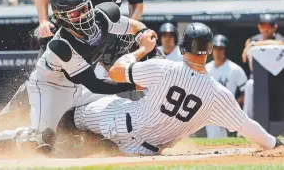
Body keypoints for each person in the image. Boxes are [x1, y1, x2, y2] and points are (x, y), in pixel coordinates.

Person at [0, 0, 151, 157]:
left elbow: (133, 26)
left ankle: (80, 140)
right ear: (63, 19)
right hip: (50, 88)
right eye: (75, 13)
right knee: (39, 140)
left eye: (84, 8)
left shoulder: (103, 15)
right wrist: (134, 83)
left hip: (78, 85)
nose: (84, 16)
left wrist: (144, 33)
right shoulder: (61, 45)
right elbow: (95, 84)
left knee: (117, 105)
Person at [74, 22, 283, 155]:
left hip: (119, 121)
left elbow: (116, 72)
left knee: (78, 111)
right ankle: (96, 142)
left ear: (182, 47)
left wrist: (141, 50)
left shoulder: (164, 68)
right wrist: (273, 143)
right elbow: (249, 127)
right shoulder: (219, 94)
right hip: (145, 150)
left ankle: (72, 136)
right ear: (209, 51)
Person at [205, 35, 248, 138]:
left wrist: (236, 104)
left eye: (221, 48)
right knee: (214, 137)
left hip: (229, 109)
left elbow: (247, 92)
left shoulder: (234, 69)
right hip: (211, 109)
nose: (218, 51)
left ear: (225, 50)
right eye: (215, 48)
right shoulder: (206, 68)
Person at [242, 14, 284, 118]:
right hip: (257, 78)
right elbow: (244, 58)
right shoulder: (252, 39)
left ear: (275, 27)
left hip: (277, 78)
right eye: (262, 26)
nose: (265, 29)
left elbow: (280, 43)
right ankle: (246, 122)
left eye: (268, 26)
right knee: (249, 86)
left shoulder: (279, 38)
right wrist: (252, 45)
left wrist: (255, 45)